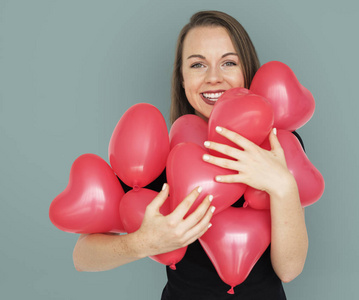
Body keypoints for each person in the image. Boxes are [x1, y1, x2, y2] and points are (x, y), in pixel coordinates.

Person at [73, 10, 308, 299]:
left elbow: (289, 269)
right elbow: (81, 258)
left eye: (229, 62)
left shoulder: (278, 145)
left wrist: (282, 185)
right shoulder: (155, 154)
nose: (213, 78)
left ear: (247, 72)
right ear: (182, 80)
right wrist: (142, 244)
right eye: (198, 65)